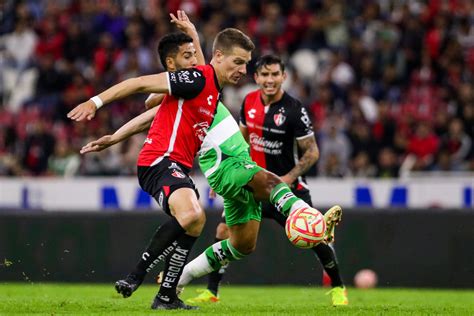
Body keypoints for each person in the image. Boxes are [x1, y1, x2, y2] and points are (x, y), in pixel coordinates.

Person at [186, 55, 348, 306]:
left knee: (316, 239)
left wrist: (287, 178)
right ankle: (212, 291)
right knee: (223, 231)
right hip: (252, 184)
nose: (270, 80)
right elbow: (238, 140)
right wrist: (224, 175)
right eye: (265, 74)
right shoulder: (248, 102)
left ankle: (338, 287)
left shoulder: (294, 110)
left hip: (287, 190)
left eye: (275, 75)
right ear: (257, 77)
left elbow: (312, 152)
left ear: (284, 77)